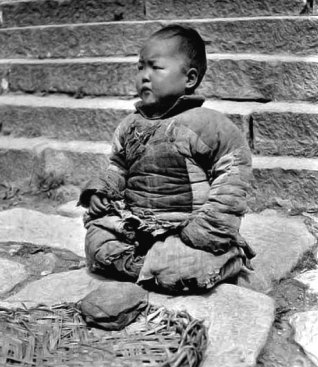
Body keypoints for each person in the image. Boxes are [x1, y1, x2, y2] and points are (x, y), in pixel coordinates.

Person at [78, 24, 255, 292]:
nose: (144, 76)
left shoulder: (207, 124)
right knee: (97, 242)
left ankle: (226, 258)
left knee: (186, 262)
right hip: (136, 225)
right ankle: (147, 267)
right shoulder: (129, 125)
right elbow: (117, 166)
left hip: (186, 230)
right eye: (140, 67)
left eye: (155, 68)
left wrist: (206, 231)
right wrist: (100, 193)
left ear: (190, 78)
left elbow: (232, 177)